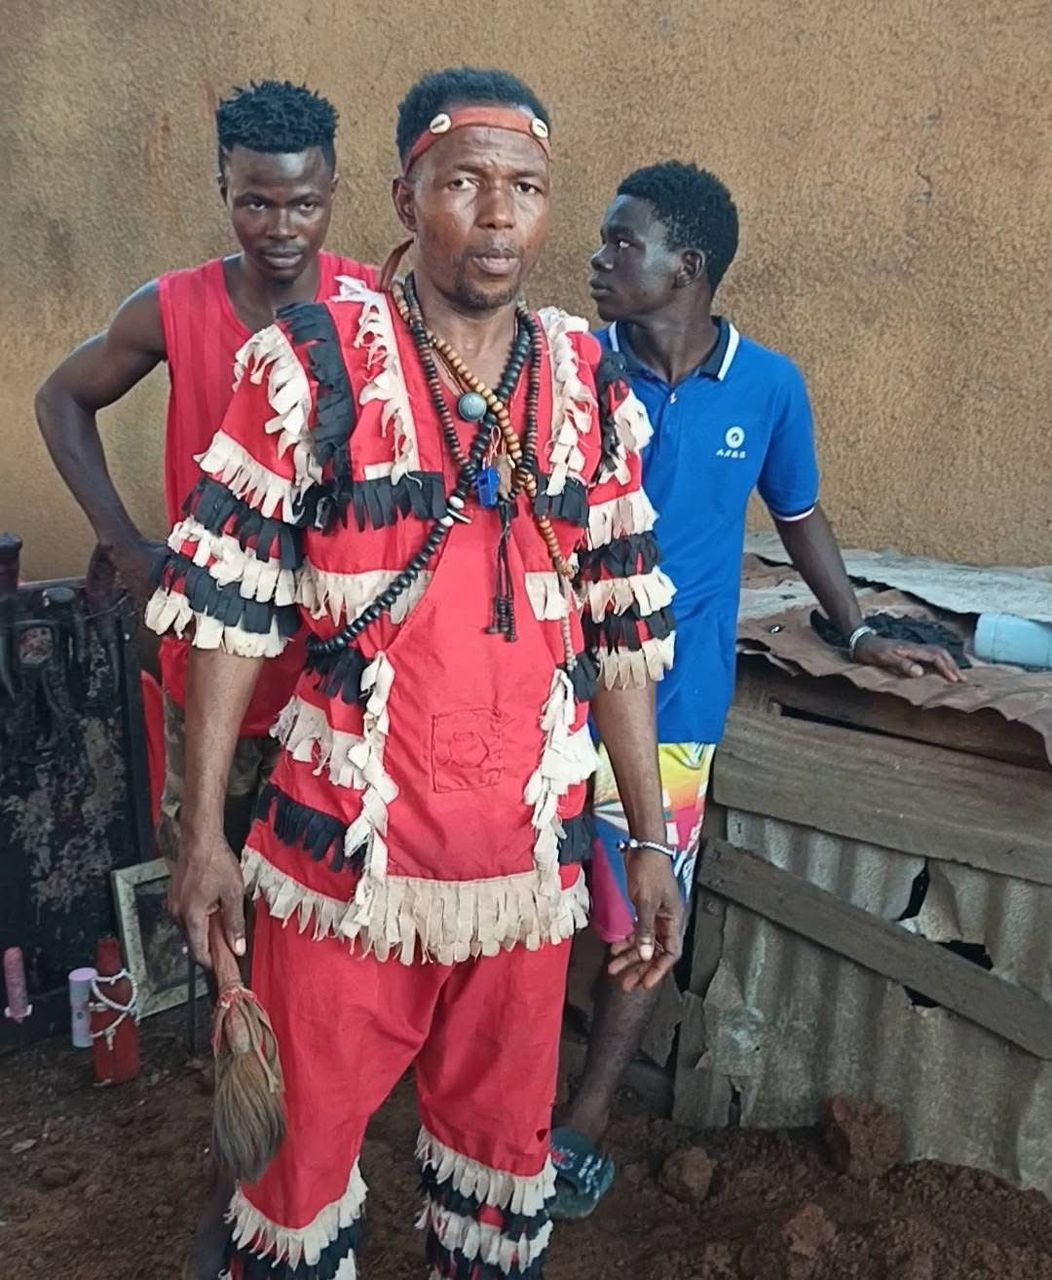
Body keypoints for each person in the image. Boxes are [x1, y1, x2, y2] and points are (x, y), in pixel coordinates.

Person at [146, 67, 682, 1279]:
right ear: (405, 198)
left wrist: (647, 837)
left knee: (498, 1161)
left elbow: (617, 628)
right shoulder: (309, 363)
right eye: (464, 184)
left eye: (524, 189)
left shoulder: (588, 382)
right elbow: (225, 613)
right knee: (296, 1167)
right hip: (339, 862)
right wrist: (202, 831)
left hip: (526, 868)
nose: (497, 217)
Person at [548, 161, 963, 1219]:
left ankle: (583, 1121)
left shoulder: (768, 386)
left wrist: (858, 629)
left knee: (640, 915)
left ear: (684, 267)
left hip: (675, 706)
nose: (596, 259)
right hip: (546, 693)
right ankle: (497, 1105)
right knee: (525, 900)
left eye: (621, 242)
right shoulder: (569, 369)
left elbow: (799, 516)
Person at [35, 79, 374, 1278]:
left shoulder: (369, 311)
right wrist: (124, 541)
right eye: (254, 202)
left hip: (339, 682)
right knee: (218, 910)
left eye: (302, 203)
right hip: (213, 681)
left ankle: (317, 1152)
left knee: (326, 928)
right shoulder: (172, 307)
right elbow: (61, 398)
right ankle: (236, 1166)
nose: (280, 227)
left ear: (333, 193)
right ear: (225, 191)